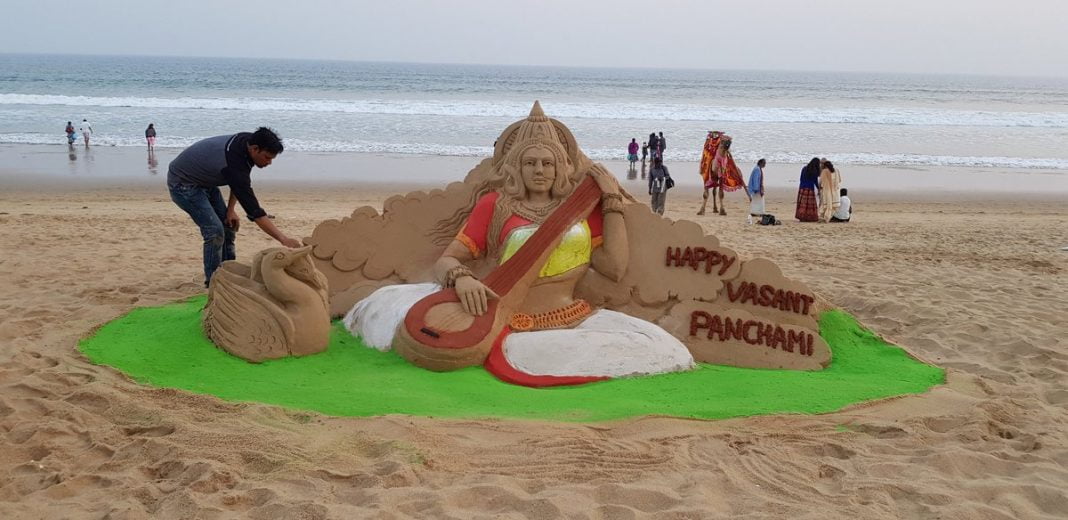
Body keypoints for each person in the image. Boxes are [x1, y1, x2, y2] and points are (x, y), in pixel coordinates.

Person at [344, 105, 694, 386]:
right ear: (516, 168)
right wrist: (463, 279)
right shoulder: (495, 206)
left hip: (572, 315)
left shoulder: (581, 211)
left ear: (561, 167)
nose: (539, 170)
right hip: (510, 318)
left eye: (547, 163)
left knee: (660, 347)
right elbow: (447, 259)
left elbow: (613, 268)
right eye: (530, 163)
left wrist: (611, 201)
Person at [167, 127, 302, 287]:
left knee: (228, 225)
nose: (269, 163)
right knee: (215, 231)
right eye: (267, 157)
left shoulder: (247, 142)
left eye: (272, 159)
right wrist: (283, 239)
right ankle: (214, 282)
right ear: (254, 149)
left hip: (206, 181)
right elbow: (255, 212)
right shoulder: (234, 162)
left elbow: (238, 181)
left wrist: (231, 210)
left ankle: (228, 270)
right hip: (183, 184)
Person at [697, 132, 748, 216]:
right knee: (706, 166)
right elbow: (706, 150)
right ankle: (704, 208)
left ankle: (720, 208)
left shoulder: (722, 145)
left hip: (720, 165)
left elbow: (726, 151)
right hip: (714, 163)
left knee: (721, 180)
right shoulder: (710, 142)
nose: (715, 135)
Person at [795, 157, 820, 222]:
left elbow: (801, 178)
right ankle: (810, 217)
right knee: (810, 204)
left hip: (802, 187)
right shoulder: (814, 170)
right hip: (810, 188)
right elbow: (815, 181)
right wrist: (818, 189)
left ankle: (801, 216)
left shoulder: (804, 168)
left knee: (802, 203)